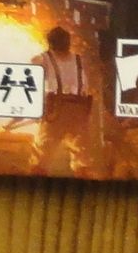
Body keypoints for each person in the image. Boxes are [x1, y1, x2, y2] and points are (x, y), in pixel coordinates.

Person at [30, 25, 96, 176]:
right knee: (81, 158)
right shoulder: (79, 60)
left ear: (50, 43)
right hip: (76, 110)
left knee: (42, 155)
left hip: (60, 112)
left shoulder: (43, 59)